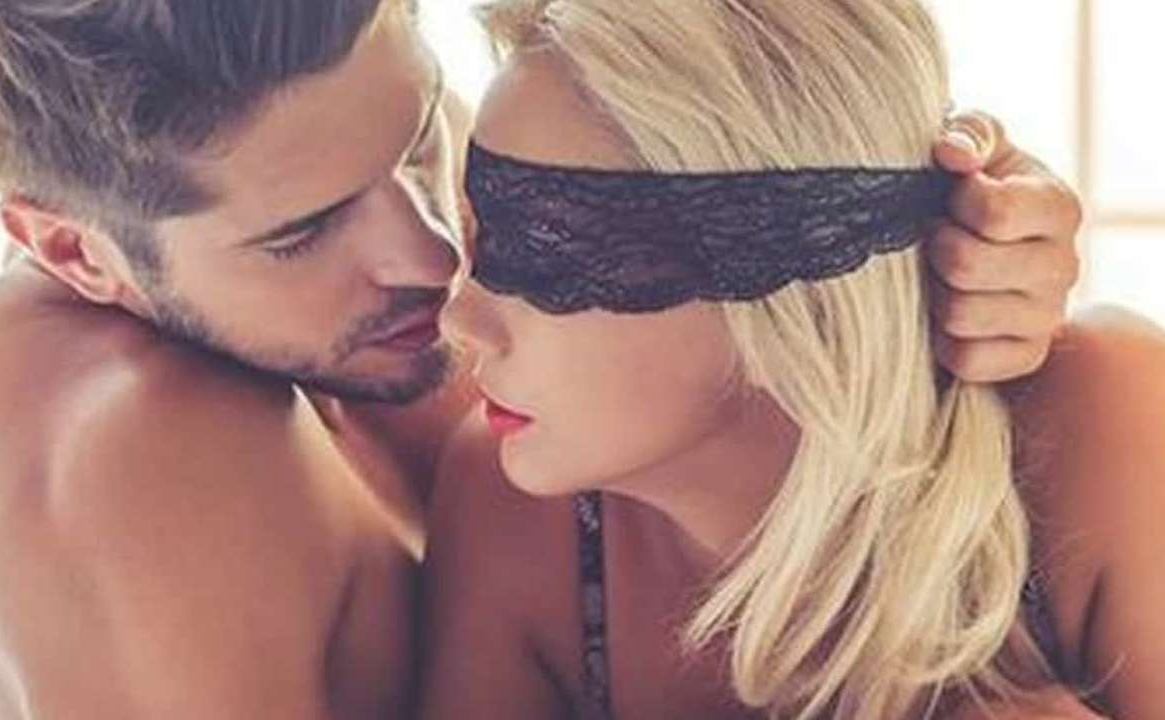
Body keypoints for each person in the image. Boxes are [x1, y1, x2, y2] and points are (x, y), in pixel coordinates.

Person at [0, 0, 1080, 716]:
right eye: (304, 232)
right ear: (74, 252)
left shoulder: (372, 334)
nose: (431, 254)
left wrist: (898, 229)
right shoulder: (132, 455)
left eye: (419, 138)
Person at [422, 0, 1162, 717]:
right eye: (482, 236)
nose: (460, 320)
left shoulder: (1101, 426)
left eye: (542, 248)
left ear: (778, 276)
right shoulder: (508, 505)